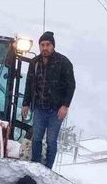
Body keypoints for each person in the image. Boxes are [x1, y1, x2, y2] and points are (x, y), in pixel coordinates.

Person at [21, 31, 76, 169]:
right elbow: (29, 84)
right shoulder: (34, 63)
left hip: (56, 110)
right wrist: (26, 104)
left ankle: (48, 169)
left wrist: (65, 106)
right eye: (42, 45)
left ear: (53, 46)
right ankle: (35, 165)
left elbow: (71, 85)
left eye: (48, 45)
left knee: (51, 140)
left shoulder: (63, 62)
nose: (45, 48)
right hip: (39, 107)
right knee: (37, 138)